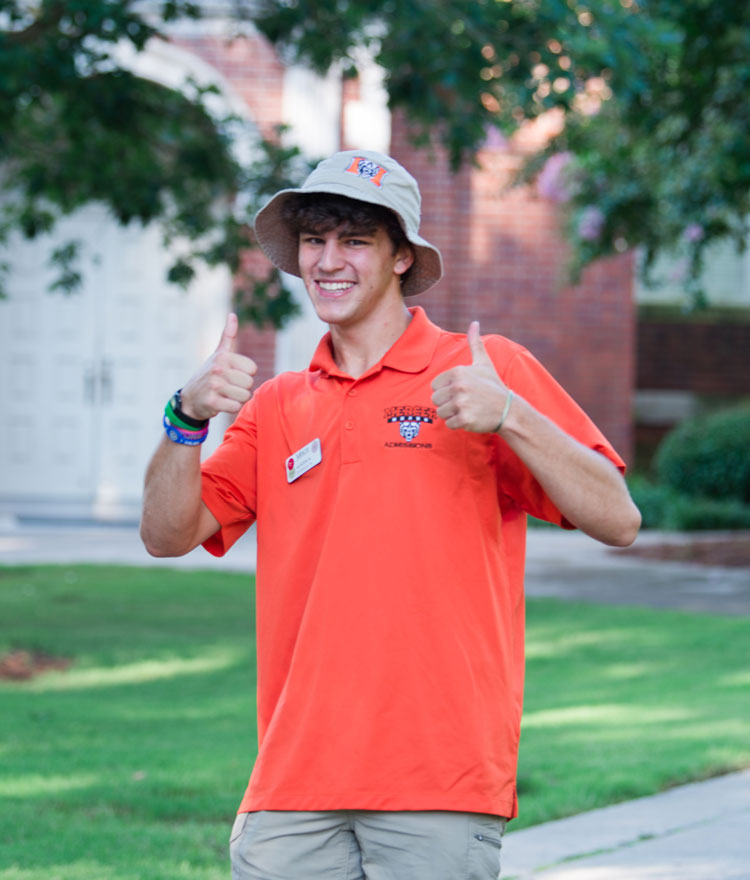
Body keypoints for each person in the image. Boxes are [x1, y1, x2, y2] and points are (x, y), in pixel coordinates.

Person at [141, 149, 641, 880]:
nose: (327, 260)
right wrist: (185, 418)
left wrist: (509, 416)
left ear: (402, 256)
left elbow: (619, 519)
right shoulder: (279, 405)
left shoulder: (483, 370)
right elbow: (165, 535)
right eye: (314, 240)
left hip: (438, 780)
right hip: (292, 783)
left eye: (354, 239)